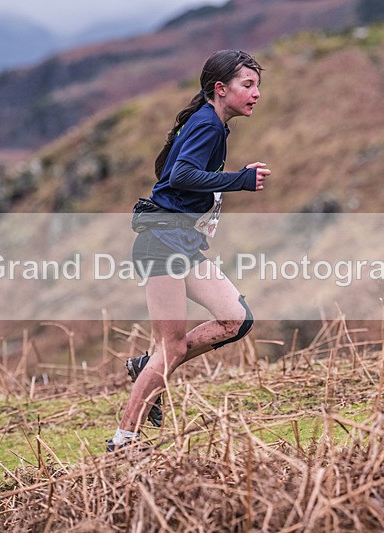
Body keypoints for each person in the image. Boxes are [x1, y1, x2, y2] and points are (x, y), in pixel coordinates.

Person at [107, 50, 271, 451]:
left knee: (237, 319)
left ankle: (147, 367)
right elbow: (180, 175)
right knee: (172, 346)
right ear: (221, 88)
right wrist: (239, 180)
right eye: (248, 85)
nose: (256, 93)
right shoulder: (208, 124)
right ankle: (124, 440)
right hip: (162, 242)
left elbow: (173, 174)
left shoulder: (212, 125)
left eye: (257, 85)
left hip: (182, 241)